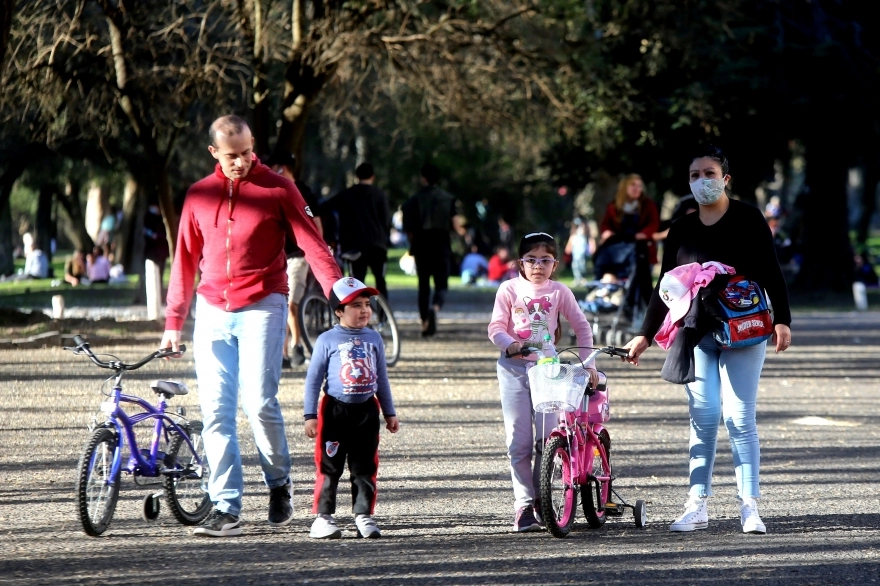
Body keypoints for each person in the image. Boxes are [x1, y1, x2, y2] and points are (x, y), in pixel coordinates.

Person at [159, 115, 342, 538]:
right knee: (216, 411)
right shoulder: (199, 195)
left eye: (246, 152)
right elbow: (184, 260)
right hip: (212, 310)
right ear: (214, 154)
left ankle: (279, 484)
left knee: (260, 401)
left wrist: (338, 290)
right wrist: (174, 321)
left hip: (264, 303)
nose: (241, 161)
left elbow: (312, 242)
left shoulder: (279, 188)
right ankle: (226, 507)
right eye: (231, 156)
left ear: (253, 144)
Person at [622, 145, 792, 535]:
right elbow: (665, 287)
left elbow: (772, 271)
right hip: (695, 331)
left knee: (738, 416)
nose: (703, 181)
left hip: (745, 329)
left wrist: (782, 320)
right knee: (703, 417)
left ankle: (749, 506)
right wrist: (644, 335)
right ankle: (696, 504)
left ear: (726, 179)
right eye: (695, 175)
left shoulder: (749, 218)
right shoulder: (681, 228)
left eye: (710, 173)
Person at [487, 232, 599, 532]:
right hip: (512, 370)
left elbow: (582, 328)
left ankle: (543, 500)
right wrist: (509, 344)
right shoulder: (508, 289)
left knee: (547, 441)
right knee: (518, 441)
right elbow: (496, 326)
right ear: (520, 263)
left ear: (555, 264)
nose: (538, 265)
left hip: (548, 371)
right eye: (531, 259)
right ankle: (524, 504)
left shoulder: (560, 292)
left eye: (545, 260)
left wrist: (588, 365)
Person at [303, 277, 399, 539]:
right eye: (355, 305)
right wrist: (310, 415)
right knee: (329, 465)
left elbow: (381, 378)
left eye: (366, 304)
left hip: (366, 411)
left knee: (364, 466)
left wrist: (389, 412)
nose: (364, 310)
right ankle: (323, 517)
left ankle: (363, 515)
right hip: (334, 412)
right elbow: (313, 380)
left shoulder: (374, 338)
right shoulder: (327, 340)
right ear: (338, 311)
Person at [267, 149, 323, 368]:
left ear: (282, 168)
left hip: (298, 256)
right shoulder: (273, 191)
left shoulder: (304, 192)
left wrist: (315, 250)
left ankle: (296, 346)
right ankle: (283, 352)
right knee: (281, 304)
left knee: (291, 304)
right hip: (278, 257)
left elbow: (316, 223)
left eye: (273, 167)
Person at [320, 162, 391, 301]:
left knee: (357, 282)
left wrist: (329, 234)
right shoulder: (380, 195)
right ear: (373, 177)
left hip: (354, 246)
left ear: (357, 176)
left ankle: (357, 312)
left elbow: (323, 208)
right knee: (380, 280)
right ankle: (384, 317)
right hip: (377, 245)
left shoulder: (346, 194)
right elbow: (386, 221)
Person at [402, 163, 456, 337]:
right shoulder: (448, 199)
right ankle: (435, 306)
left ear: (423, 178)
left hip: (421, 246)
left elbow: (408, 229)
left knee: (423, 286)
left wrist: (414, 243)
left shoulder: (413, 201)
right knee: (441, 284)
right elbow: (455, 224)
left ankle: (425, 322)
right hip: (441, 245)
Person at [593, 174, 660, 283]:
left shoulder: (648, 204)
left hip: (640, 247)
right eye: (633, 185)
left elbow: (654, 223)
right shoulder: (614, 206)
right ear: (625, 187)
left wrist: (644, 234)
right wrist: (607, 232)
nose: (637, 188)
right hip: (618, 245)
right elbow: (605, 224)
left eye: (639, 185)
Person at [143, 202, 170, 293]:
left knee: (159, 273)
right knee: (151, 274)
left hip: (160, 251)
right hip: (152, 251)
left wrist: (157, 236)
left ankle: (159, 294)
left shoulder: (161, 219)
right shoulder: (149, 217)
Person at [564, 218, 594, 286]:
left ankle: (583, 278)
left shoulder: (583, 234)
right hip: (575, 252)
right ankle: (577, 279)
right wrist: (568, 248)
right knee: (575, 265)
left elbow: (590, 238)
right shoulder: (574, 234)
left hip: (581, 252)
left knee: (581, 265)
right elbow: (571, 241)